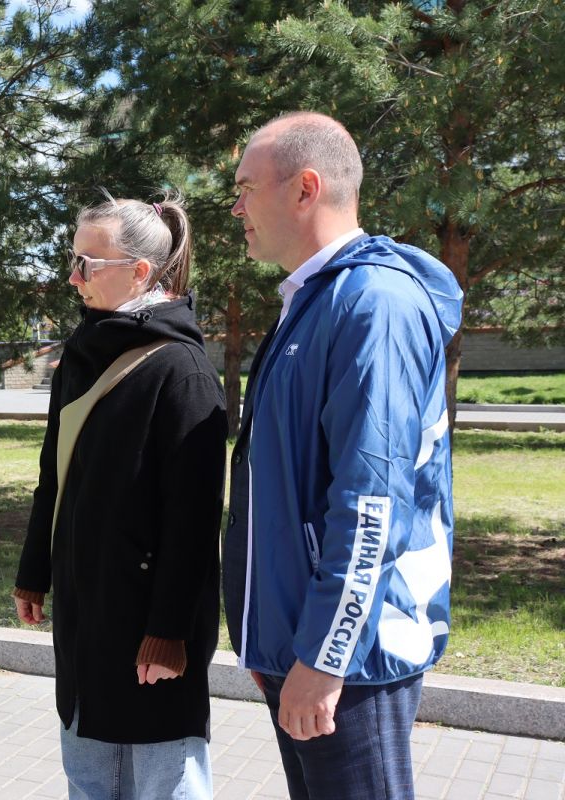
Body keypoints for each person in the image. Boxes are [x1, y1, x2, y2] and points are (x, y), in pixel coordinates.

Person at [222, 112, 463, 800]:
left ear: (305, 188)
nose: (236, 207)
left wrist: (325, 657)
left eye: (245, 187)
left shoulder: (372, 305)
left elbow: (371, 500)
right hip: (305, 646)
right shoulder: (315, 300)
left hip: (349, 660)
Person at [13, 194, 227, 799]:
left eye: (89, 262)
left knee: (165, 782)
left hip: (146, 624)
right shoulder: (84, 354)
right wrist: (35, 572)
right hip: (86, 611)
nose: (73, 277)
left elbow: (194, 520)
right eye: (73, 259)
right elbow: (53, 475)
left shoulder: (182, 370)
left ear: (140, 272)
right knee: (89, 775)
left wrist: (170, 632)